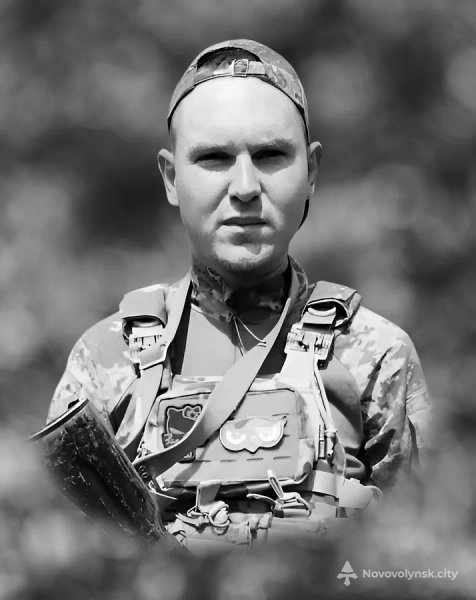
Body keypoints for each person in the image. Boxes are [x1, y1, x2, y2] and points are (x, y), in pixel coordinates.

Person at [47, 39, 432, 551]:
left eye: (271, 155)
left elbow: (422, 554)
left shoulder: (374, 352)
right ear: (171, 178)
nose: (245, 186)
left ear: (311, 171)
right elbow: (57, 559)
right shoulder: (106, 359)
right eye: (214, 158)